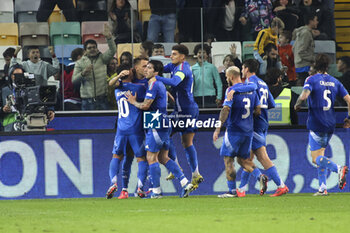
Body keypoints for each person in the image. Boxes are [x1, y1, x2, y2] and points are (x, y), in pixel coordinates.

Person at [126, 60, 195, 198]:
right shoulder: (157, 84)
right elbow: (169, 98)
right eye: (145, 67)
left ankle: (156, 191)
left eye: (149, 68)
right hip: (163, 121)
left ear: (156, 72)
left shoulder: (154, 85)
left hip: (155, 121)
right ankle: (185, 182)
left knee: (151, 157)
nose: (146, 70)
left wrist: (133, 102)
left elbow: (146, 105)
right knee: (163, 157)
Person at [294, 54, 350, 196]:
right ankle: (322, 187)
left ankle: (338, 169)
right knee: (321, 155)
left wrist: (297, 104)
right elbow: (349, 99)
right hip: (330, 124)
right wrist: (348, 118)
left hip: (316, 123)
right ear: (327, 66)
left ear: (315, 65)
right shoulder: (335, 82)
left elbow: (304, 96)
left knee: (315, 158)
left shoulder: (311, 80)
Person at [213, 65, 269, 197]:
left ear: (231, 77)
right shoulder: (252, 91)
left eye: (227, 77)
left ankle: (231, 191)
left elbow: (225, 109)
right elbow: (258, 110)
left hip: (234, 131)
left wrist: (218, 127)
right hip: (248, 131)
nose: (226, 79)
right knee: (243, 160)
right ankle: (260, 176)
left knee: (228, 160)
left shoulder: (231, 90)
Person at [236, 59, 289, 197]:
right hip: (264, 123)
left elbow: (251, 106)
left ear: (246, 69)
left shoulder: (249, 83)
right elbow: (271, 104)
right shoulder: (263, 83)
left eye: (242, 68)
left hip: (254, 125)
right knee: (249, 158)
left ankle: (281, 185)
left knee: (261, 157)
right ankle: (241, 189)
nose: (242, 71)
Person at [155, 45, 203, 190]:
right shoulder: (175, 65)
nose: (171, 56)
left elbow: (175, 82)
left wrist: (154, 77)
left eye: (175, 54)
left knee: (164, 132)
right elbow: (163, 68)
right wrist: (150, 68)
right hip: (183, 108)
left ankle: (175, 168)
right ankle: (195, 173)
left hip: (186, 110)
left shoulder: (183, 69)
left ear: (182, 56)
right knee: (186, 142)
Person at [105, 65, 148, 199]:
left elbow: (110, 84)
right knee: (141, 158)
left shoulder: (117, 90)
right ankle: (140, 187)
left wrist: (118, 77)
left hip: (121, 129)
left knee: (116, 157)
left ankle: (113, 183)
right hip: (136, 129)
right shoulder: (139, 88)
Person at [72, 24, 116, 110]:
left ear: (97, 48)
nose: (92, 49)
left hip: (102, 99)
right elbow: (74, 81)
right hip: (87, 101)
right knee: (86, 123)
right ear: (85, 50)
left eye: (94, 47)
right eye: (89, 48)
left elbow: (113, 50)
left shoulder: (103, 58)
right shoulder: (80, 63)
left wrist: (109, 38)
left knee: (104, 123)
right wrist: (83, 73)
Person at [1, 64, 55, 132]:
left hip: (30, 125)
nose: (18, 77)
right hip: (9, 128)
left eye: (21, 74)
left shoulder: (31, 90)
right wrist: (3, 110)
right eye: (15, 74)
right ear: (10, 76)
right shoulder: (3, 91)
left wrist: (50, 110)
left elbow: (42, 102)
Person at [192, 44, 222, 108]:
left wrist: (219, 97)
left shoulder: (212, 67)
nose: (201, 54)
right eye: (199, 52)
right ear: (196, 55)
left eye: (204, 53)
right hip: (196, 96)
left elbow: (218, 83)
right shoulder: (192, 68)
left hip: (210, 96)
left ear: (207, 55)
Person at [293, 13, 318, 86]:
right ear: (311, 21)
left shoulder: (303, 32)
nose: (317, 22)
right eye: (316, 20)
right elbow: (301, 51)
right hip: (304, 66)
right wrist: (313, 59)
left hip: (300, 65)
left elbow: (294, 48)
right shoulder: (306, 33)